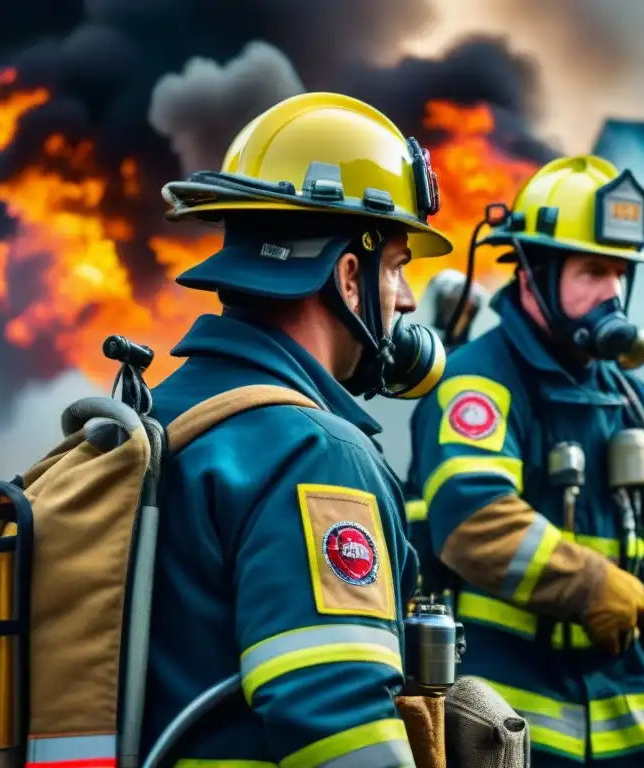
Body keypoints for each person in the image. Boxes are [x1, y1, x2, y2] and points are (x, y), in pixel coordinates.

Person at [405, 155, 644, 766]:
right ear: (532, 274)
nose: (611, 291)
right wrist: (589, 582)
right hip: (507, 707)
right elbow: (474, 521)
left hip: (627, 703)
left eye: (619, 273)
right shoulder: (478, 384)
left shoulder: (630, 399)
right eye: (591, 271)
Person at [140, 92, 451, 767]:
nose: (407, 298)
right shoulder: (316, 454)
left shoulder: (162, 417)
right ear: (347, 277)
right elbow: (342, 735)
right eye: (397, 266)